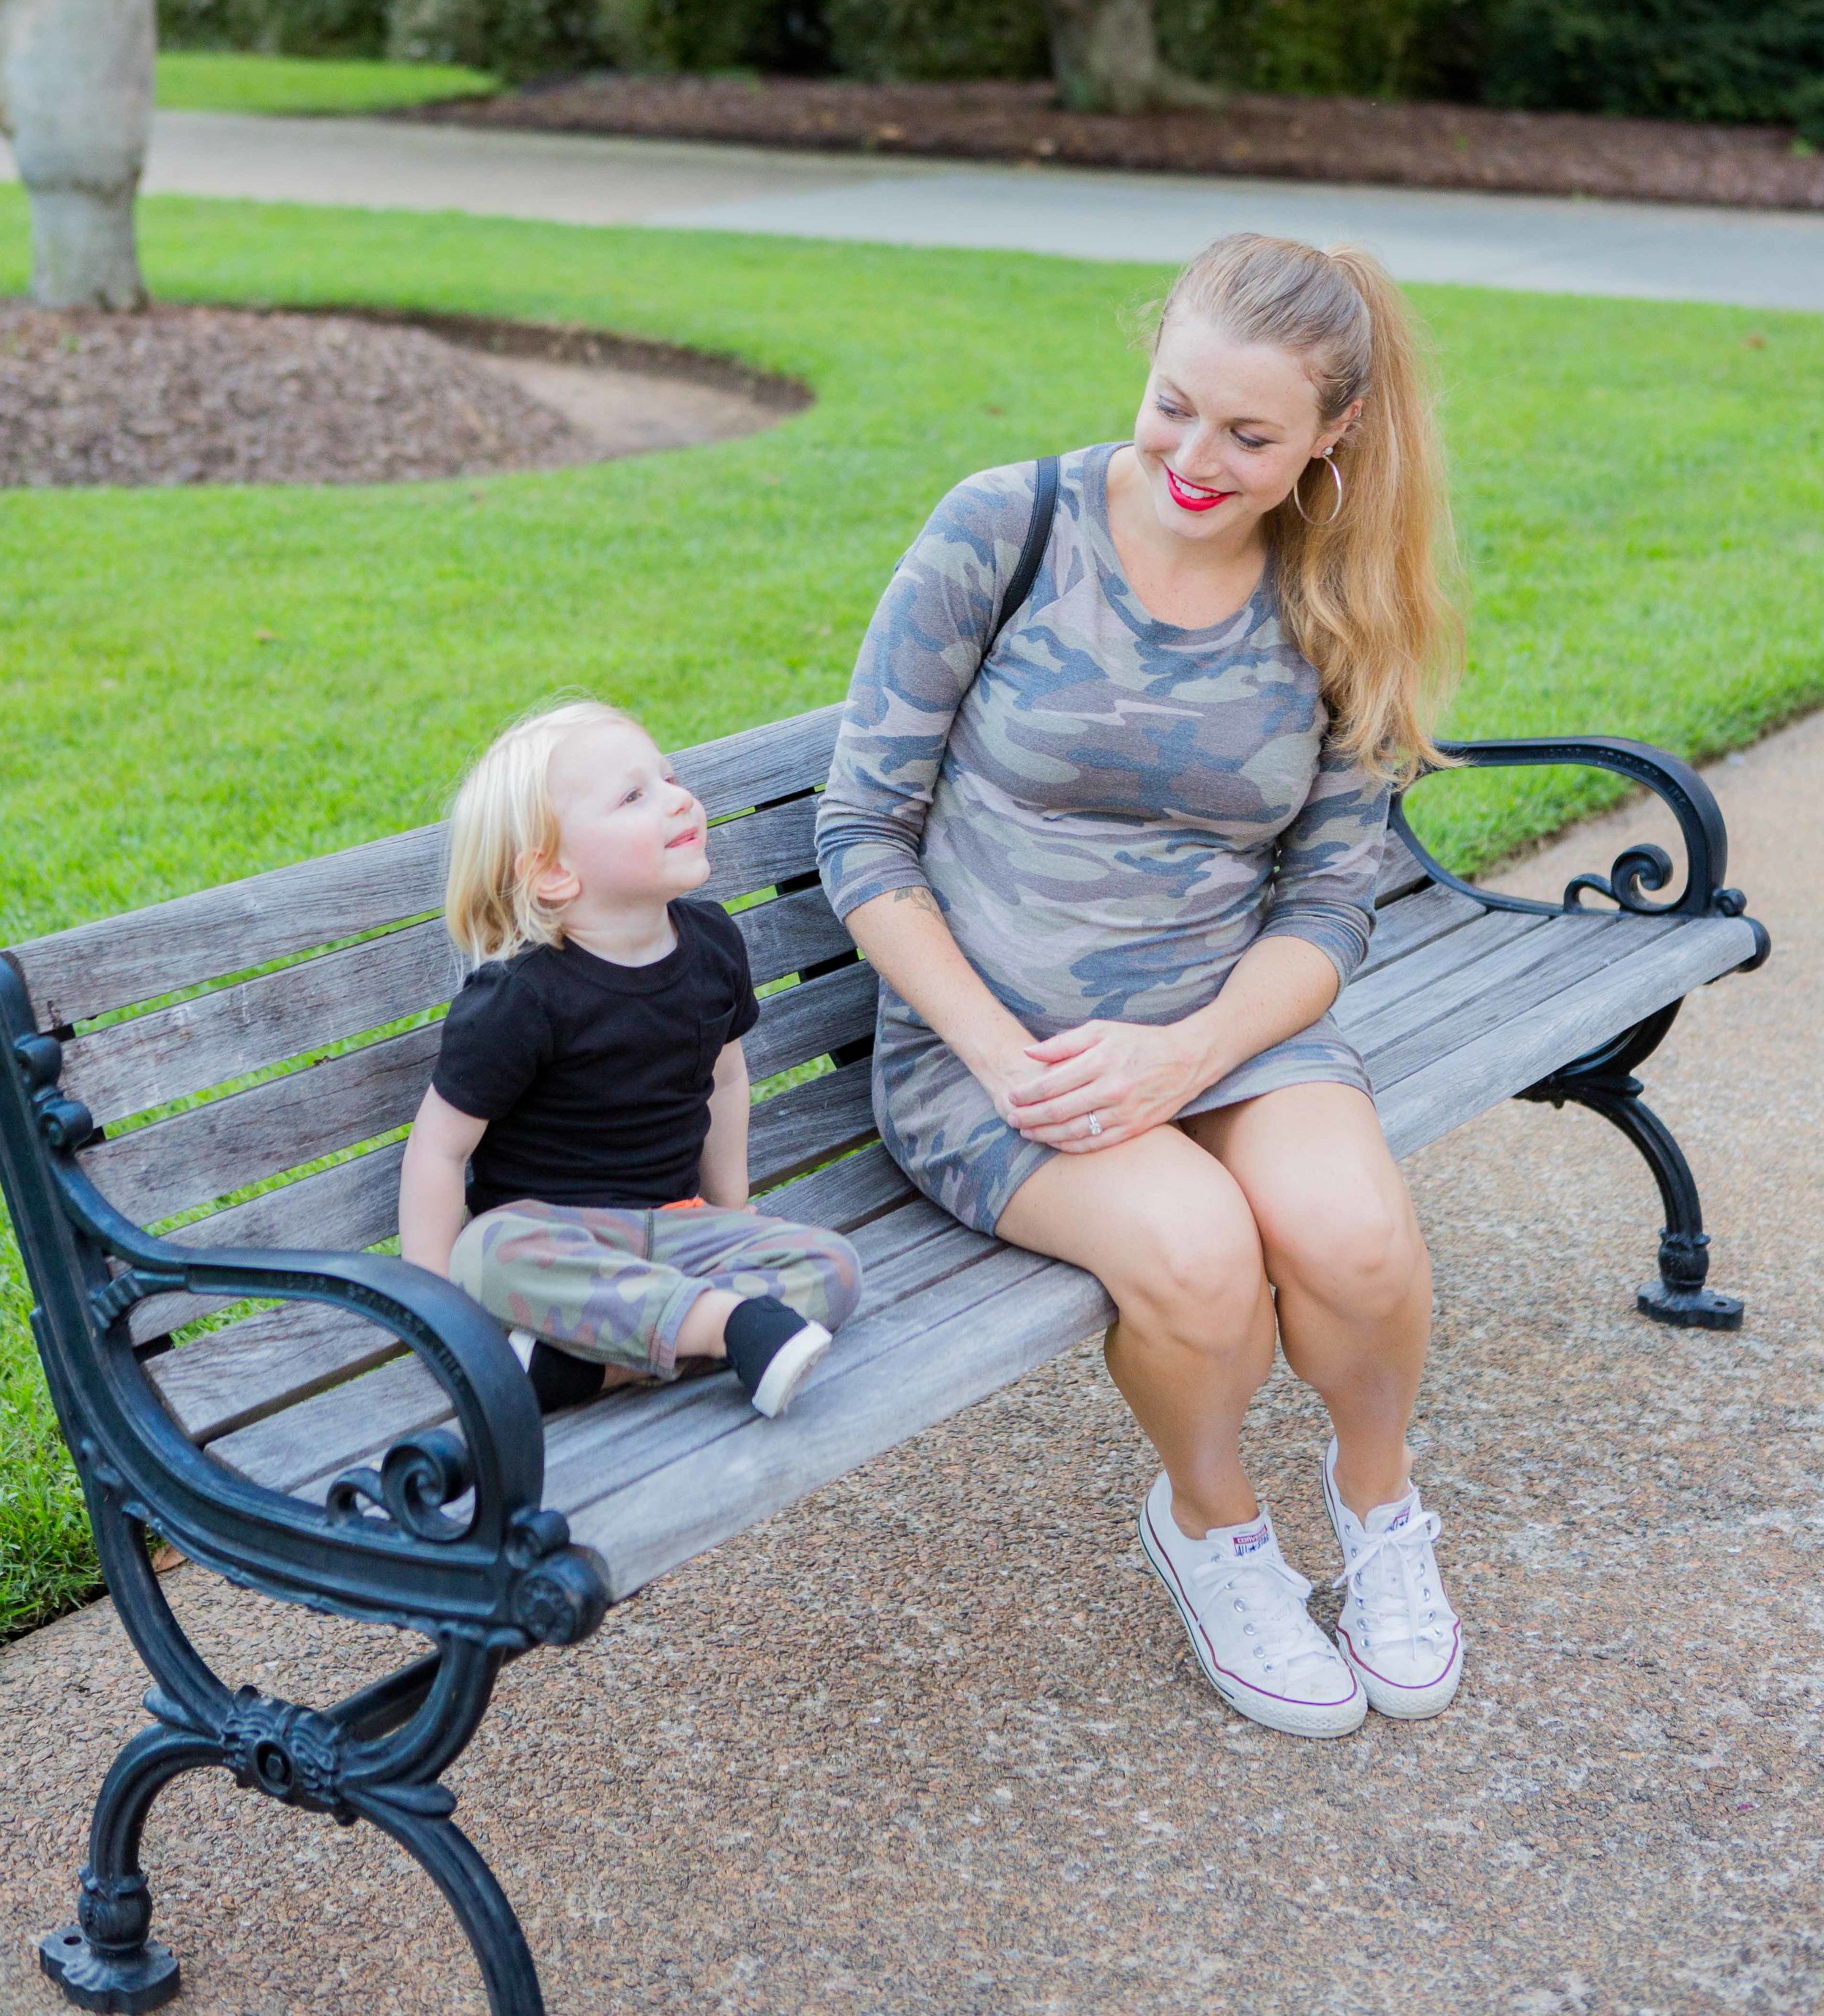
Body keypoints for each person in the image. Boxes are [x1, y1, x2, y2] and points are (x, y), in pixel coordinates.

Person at [816, 234, 1464, 1738]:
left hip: (1223, 1032)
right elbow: (860, 830)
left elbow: (1325, 904)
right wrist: (993, 1050)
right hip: (992, 1058)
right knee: (1193, 1263)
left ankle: (1377, 1519)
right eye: (1171, 404)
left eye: (1247, 435)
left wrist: (1187, 1054)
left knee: (1355, 1242)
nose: (1190, 454)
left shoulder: (1338, 598)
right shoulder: (1007, 527)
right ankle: (1215, 1530)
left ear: (1332, 434)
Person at [400, 699, 862, 1422]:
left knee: (832, 1268)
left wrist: (732, 1208)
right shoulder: (519, 999)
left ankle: (580, 1371)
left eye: (669, 778)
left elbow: (725, 1076)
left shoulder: (710, 945)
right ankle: (727, 1326)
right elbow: (437, 1150)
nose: (679, 799)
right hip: (559, 1243)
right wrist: (434, 1311)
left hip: (674, 1231)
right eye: (634, 795)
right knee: (485, 1250)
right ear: (553, 875)